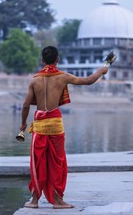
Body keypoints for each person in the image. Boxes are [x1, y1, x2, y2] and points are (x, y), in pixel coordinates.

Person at [19, 46, 109, 209]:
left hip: (39, 125)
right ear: (58, 60)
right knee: (58, 162)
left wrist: (23, 124)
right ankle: (58, 200)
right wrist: (101, 71)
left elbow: (26, 105)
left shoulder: (34, 80)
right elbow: (88, 81)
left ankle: (34, 201)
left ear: (42, 60)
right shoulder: (63, 77)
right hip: (55, 125)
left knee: (38, 161)